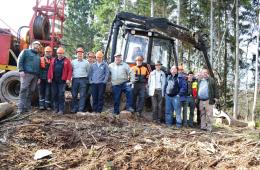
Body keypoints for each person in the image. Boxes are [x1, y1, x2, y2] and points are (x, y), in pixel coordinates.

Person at [17, 41, 41, 114]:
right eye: (36, 45)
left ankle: (27, 108)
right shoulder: (25, 52)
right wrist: (21, 70)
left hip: (35, 76)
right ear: (32, 45)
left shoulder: (38, 57)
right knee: (23, 90)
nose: (37, 47)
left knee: (31, 91)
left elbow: (39, 68)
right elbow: (20, 60)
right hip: (27, 74)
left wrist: (39, 77)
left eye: (38, 46)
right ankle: (20, 108)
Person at [47, 47, 72, 115]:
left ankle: (61, 109)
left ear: (63, 53)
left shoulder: (67, 60)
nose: (60, 54)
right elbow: (50, 69)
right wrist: (49, 78)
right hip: (54, 80)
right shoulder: (53, 60)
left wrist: (68, 79)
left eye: (61, 53)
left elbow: (69, 70)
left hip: (62, 81)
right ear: (57, 54)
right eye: (59, 53)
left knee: (61, 95)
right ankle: (56, 108)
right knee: (55, 94)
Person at [70, 47, 90, 113]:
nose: (79, 55)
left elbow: (88, 72)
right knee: (74, 94)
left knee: (82, 95)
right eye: (78, 53)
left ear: (83, 54)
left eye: (81, 53)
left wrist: (84, 77)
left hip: (83, 80)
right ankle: (75, 108)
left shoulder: (86, 63)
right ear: (76, 54)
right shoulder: (72, 62)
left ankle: (81, 109)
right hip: (75, 79)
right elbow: (71, 70)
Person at [38, 46, 53, 110]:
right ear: (45, 52)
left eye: (49, 52)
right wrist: (38, 78)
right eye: (47, 52)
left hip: (49, 78)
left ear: (51, 52)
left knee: (48, 92)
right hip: (41, 78)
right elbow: (38, 69)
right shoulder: (40, 59)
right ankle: (41, 105)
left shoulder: (53, 59)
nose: (48, 53)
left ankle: (48, 105)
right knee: (41, 91)